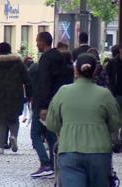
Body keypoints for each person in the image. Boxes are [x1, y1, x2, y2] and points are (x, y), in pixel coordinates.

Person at [46, 53, 121, 187]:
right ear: (95, 71)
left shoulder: (63, 92)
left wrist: (67, 129)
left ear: (75, 70)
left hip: (70, 151)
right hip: (99, 152)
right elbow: (115, 123)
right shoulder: (104, 94)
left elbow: (51, 122)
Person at [31, 32, 73, 178]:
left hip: (43, 103)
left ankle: (45, 164)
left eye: (38, 41)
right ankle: (54, 165)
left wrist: (43, 105)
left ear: (44, 42)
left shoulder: (46, 59)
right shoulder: (60, 58)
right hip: (56, 102)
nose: (36, 44)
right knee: (50, 135)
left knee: (35, 134)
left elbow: (44, 83)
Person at [0, 42, 30, 154]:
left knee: (0, 121)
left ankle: (0, 146)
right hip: (15, 94)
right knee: (14, 119)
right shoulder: (18, 63)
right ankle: (13, 136)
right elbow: (26, 79)